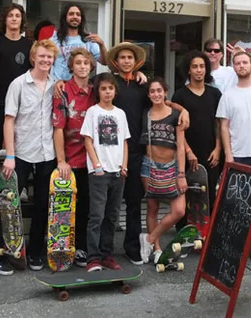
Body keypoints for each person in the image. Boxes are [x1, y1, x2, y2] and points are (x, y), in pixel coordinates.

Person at [102, 41, 189, 265]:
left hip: (137, 153)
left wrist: (182, 109)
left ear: (136, 61)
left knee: (133, 203)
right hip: (110, 150)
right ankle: (104, 250)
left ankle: (132, 246)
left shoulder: (143, 85)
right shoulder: (110, 84)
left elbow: (160, 100)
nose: (126, 61)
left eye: (130, 57)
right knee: (108, 204)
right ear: (115, 61)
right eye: (122, 57)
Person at [0, 39, 59, 272]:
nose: (45, 60)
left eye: (49, 57)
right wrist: (9, 155)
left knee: (43, 206)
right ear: (33, 58)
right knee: (8, 206)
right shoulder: (19, 84)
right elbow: (9, 120)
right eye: (41, 56)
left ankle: (34, 253)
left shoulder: (56, 85)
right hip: (21, 153)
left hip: (47, 153)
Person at [0, 4, 32, 202]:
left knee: (20, 147)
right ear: (5, 20)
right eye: (10, 15)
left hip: (22, 106)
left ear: (22, 20)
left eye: (17, 16)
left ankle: (21, 186)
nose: (13, 19)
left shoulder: (29, 46)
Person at [80, 73, 130, 271]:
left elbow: (125, 141)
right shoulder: (93, 112)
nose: (107, 92)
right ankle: (93, 257)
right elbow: (88, 140)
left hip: (117, 172)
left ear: (115, 91)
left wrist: (124, 166)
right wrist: (96, 165)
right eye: (103, 88)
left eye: (110, 88)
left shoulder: (120, 114)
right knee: (96, 216)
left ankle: (107, 254)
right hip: (99, 172)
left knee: (112, 216)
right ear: (97, 91)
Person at [52, 48, 95, 268]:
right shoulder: (63, 90)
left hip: (93, 160)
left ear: (91, 66)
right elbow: (58, 127)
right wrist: (61, 160)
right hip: (71, 159)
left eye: (86, 63)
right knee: (69, 209)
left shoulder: (96, 91)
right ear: (71, 66)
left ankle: (84, 249)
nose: (82, 66)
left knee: (89, 207)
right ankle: (65, 249)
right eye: (78, 63)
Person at [139, 78, 187, 264]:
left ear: (165, 92)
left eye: (159, 90)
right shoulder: (145, 114)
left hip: (173, 166)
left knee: (179, 210)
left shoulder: (177, 115)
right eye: (152, 91)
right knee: (153, 207)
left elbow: (181, 147)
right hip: (149, 165)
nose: (156, 94)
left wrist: (181, 174)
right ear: (148, 94)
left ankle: (149, 239)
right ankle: (157, 249)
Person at [172, 51, 222, 212]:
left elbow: (219, 123)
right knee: (188, 196)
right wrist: (188, 151)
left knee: (210, 196)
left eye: (202, 66)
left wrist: (218, 148)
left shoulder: (215, 94)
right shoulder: (179, 95)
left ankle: (208, 234)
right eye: (195, 67)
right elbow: (177, 128)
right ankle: (186, 234)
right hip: (188, 154)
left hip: (211, 154)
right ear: (188, 70)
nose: (199, 70)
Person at [49, 3, 107, 81]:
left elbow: (105, 62)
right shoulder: (54, 39)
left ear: (81, 18)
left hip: (81, 87)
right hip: (59, 88)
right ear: (65, 17)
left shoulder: (88, 39)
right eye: (71, 14)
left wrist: (101, 44)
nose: (75, 17)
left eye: (78, 14)